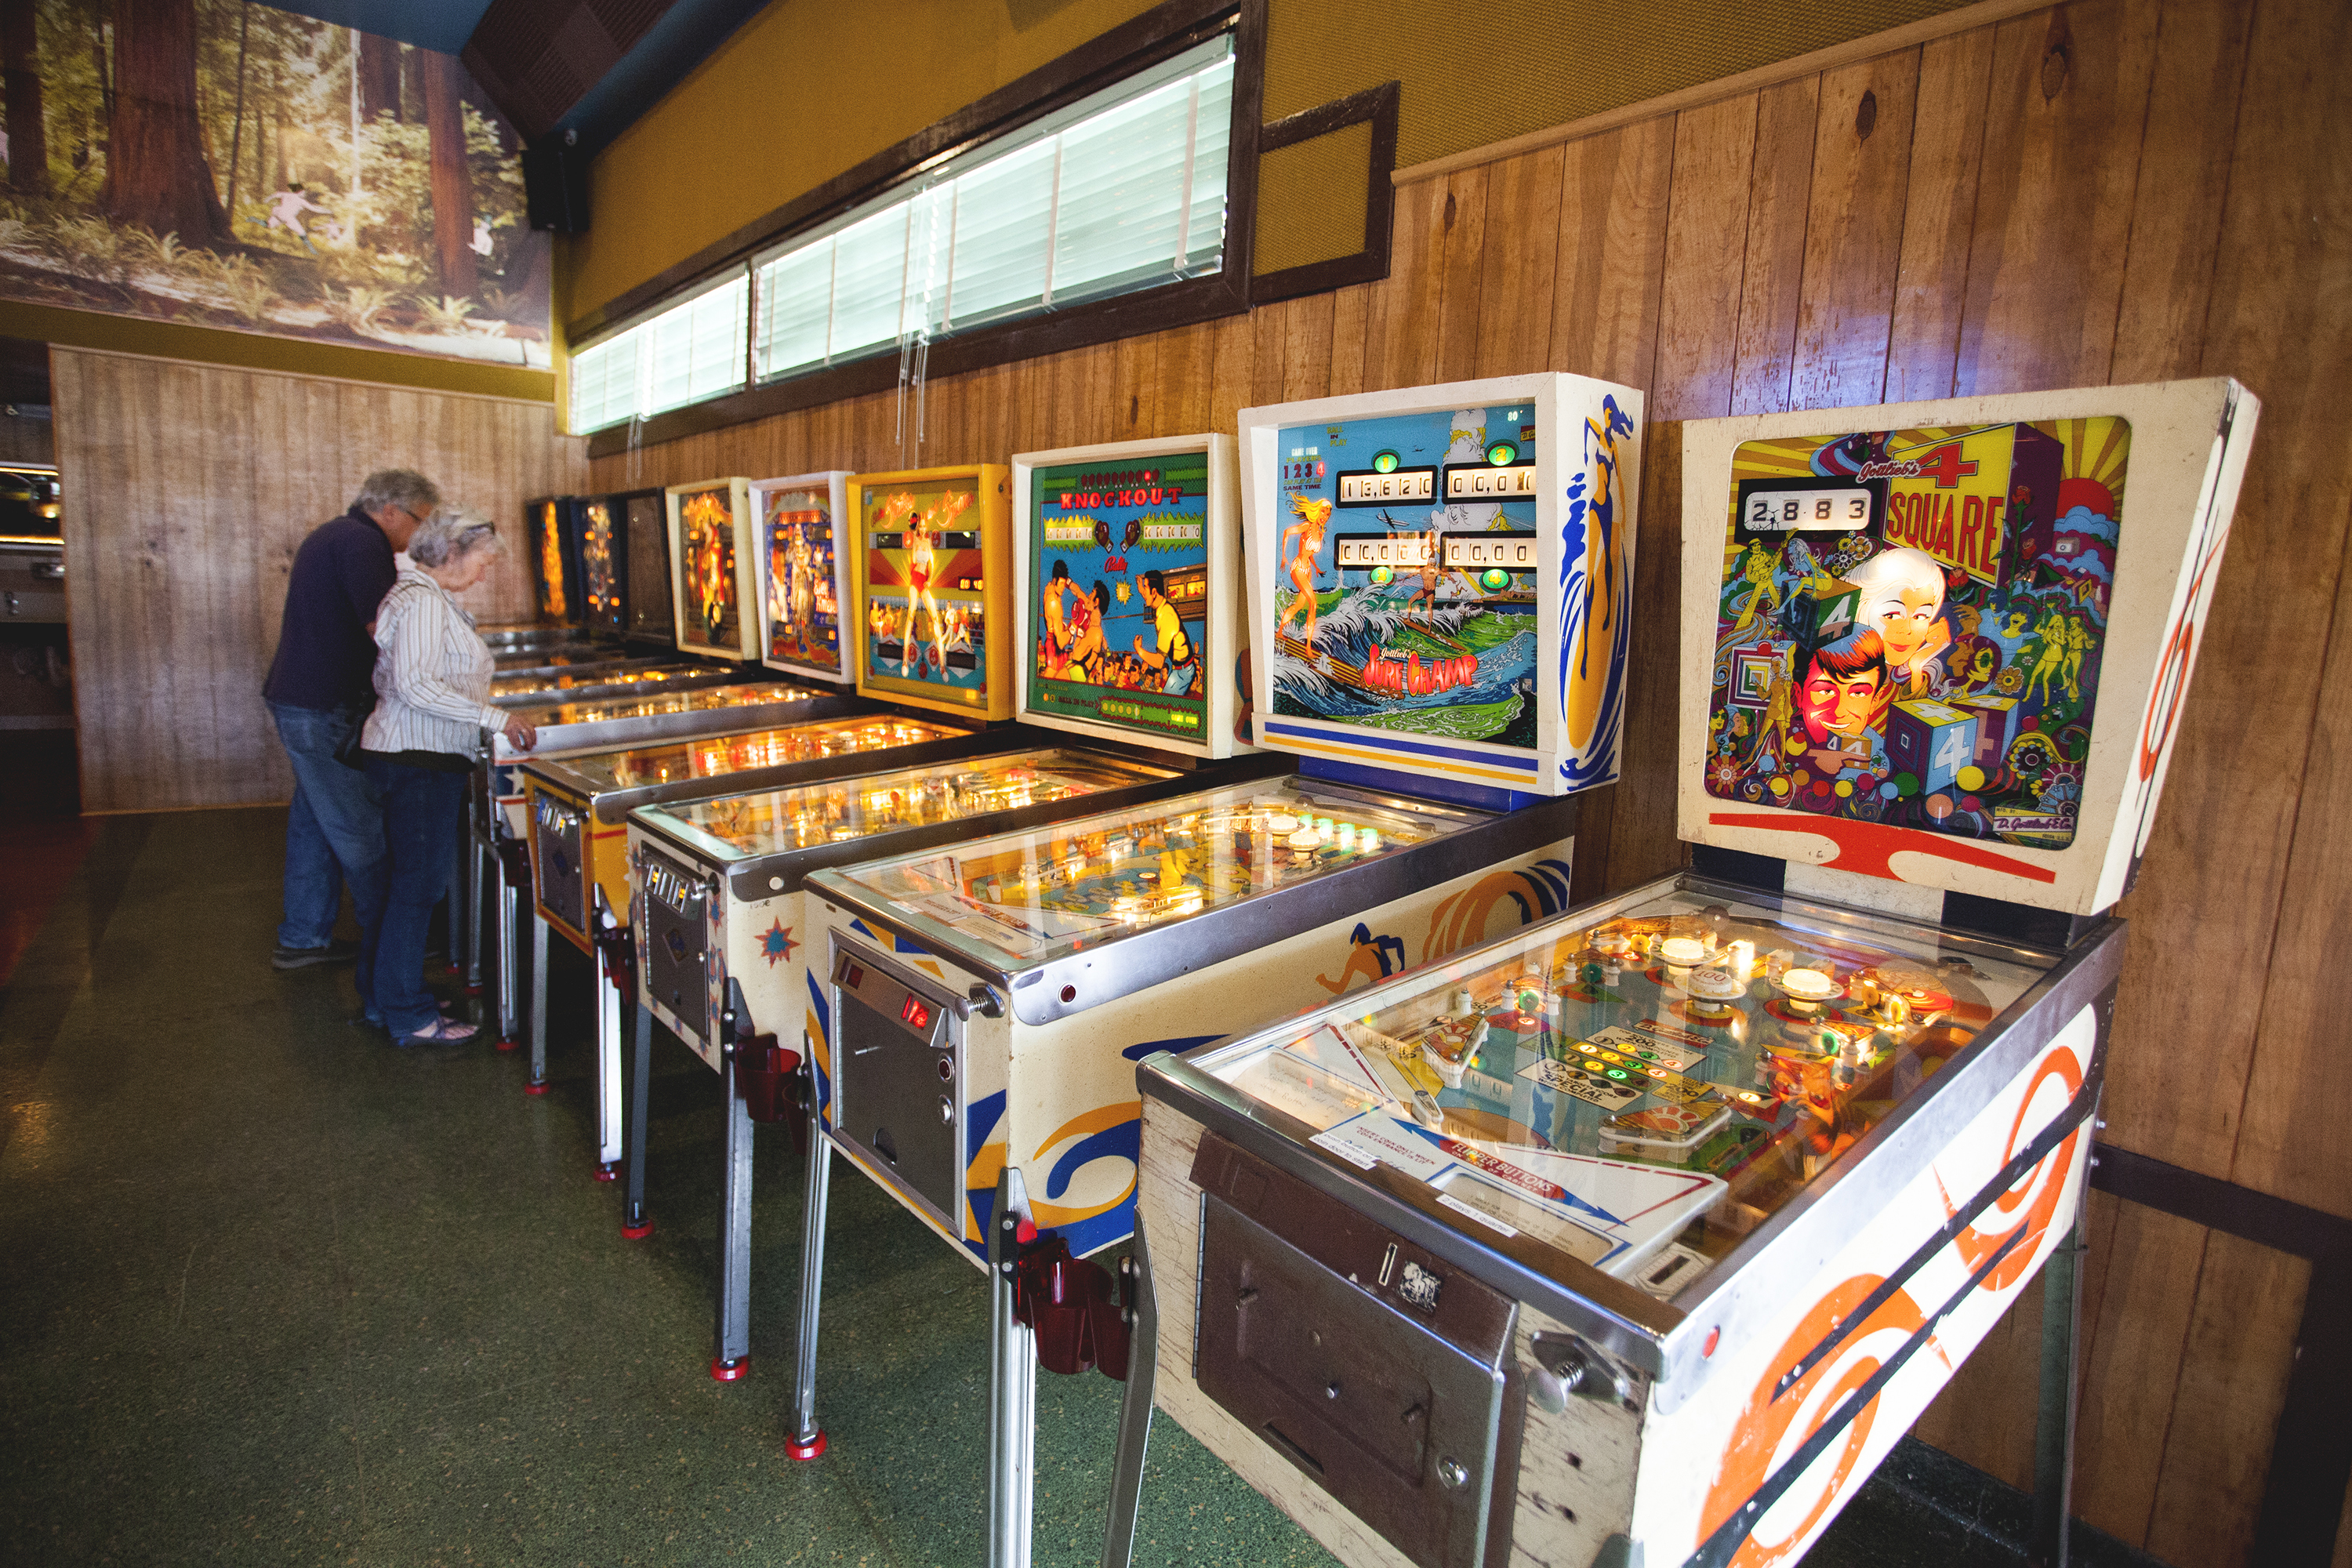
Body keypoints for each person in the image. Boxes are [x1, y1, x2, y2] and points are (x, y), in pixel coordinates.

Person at [356, 512, 536, 1047]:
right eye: (482, 562)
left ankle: (386, 994)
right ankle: (409, 1017)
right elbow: (415, 685)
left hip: (417, 757)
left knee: (404, 885)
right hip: (418, 760)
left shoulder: (420, 596)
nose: (484, 575)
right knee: (417, 889)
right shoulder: (423, 602)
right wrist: (497, 719)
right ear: (452, 553)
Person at [261, 470, 438, 970]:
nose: (417, 536)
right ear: (389, 511)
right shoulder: (363, 543)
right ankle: (390, 943)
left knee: (315, 823)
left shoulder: (334, 534)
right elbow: (385, 629)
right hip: (322, 708)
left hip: (302, 700)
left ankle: (302, 937)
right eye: (419, 522)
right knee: (358, 829)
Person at [1132, 570, 1196, 695]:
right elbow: (1149, 597)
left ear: (1154, 592)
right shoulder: (1159, 605)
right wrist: (1141, 588)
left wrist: (1138, 649)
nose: (1143, 593)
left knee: (1166, 705)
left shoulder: (1167, 616)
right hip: (1178, 668)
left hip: (1183, 672)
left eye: (1146, 588)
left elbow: (1159, 662)